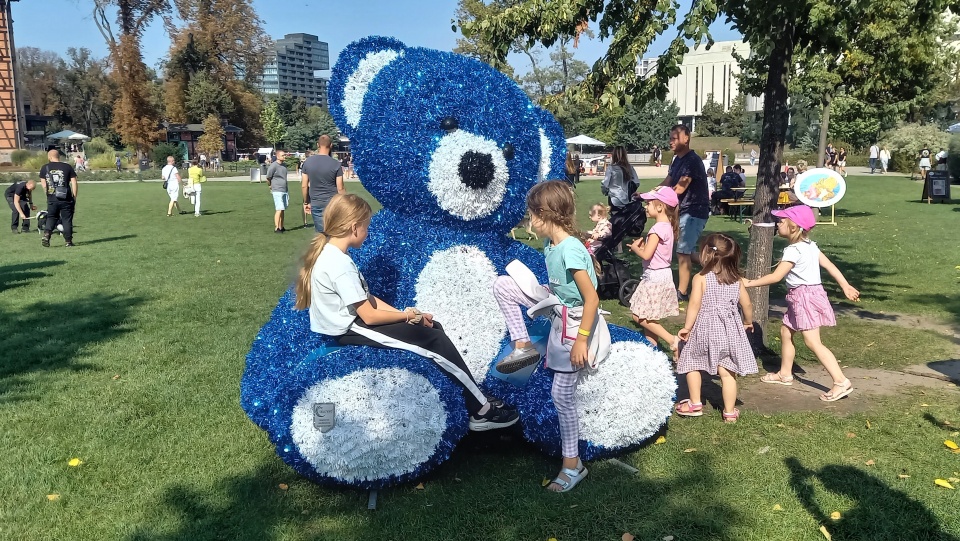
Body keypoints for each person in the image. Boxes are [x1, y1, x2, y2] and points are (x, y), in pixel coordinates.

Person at [296, 193, 519, 433]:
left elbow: (368, 298)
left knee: (433, 328)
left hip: (356, 322)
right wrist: (408, 317)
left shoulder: (336, 255)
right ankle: (481, 410)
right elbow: (369, 316)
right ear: (354, 227)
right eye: (366, 226)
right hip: (350, 329)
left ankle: (472, 393)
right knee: (435, 340)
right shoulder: (338, 264)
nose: (368, 233)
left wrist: (412, 315)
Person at [492, 180, 606, 492]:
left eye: (531, 216)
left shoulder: (570, 249)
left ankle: (573, 465)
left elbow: (591, 299)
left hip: (576, 324)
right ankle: (523, 345)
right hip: (558, 309)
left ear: (546, 215)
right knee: (503, 284)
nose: (529, 222)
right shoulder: (551, 245)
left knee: (561, 396)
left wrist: (581, 340)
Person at [743, 205, 860, 402]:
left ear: (794, 227)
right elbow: (829, 265)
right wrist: (845, 285)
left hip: (803, 297)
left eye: (781, 221)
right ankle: (785, 374)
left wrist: (749, 283)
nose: (778, 223)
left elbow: (776, 277)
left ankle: (841, 381)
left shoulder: (793, 251)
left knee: (813, 342)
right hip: (807, 295)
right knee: (786, 332)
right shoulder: (810, 246)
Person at [675, 233, 757, 422]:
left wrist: (687, 327)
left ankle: (695, 403)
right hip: (730, 331)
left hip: (705, 328)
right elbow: (747, 304)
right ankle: (729, 412)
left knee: (692, 362)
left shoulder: (700, 278)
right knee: (728, 372)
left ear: (705, 253)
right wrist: (747, 321)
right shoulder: (736, 279)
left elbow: (694, 304)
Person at [657, 124, 709, 302]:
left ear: (686, 139)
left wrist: (660, 197)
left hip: (695, 209)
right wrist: (650, 193)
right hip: (684, 210)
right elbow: (669, 180)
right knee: (685, 251)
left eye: (674, 138)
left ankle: (682, 292)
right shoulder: (677, 159)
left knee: (682, 252)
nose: (670, 141)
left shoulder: (692, 160)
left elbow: (679, 188)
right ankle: (717, 264)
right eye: (670, 138)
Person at [627, 187, 681, 356]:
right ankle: (652, 353)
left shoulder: (656, 229)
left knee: (639, 316)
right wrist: (645, 248)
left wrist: (637, 248)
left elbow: (646, 254)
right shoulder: (668, 227)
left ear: (660, 207)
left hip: (654, 278)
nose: (645, 206)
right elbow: (656, 253)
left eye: (649, 203)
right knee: (650, 318)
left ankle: (673, 341)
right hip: (663, 275)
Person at [301, 135, 345, 232]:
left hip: (316, 202)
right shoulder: (336, 164)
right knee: (333, 232)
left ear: (318, 145)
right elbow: (340, 188)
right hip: (332, 203)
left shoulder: (308, 162)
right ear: (331, 145)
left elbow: (304, 185)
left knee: (321, 234)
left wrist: (306, 202)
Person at [40, 149, 78, 247]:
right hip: (66, 197)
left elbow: (44, 185)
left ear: (49, 157)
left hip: (52, 197)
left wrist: (48, 195)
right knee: (67, 219)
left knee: (51, 217)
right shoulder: (67, 167)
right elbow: (74, 182)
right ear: (59, 156)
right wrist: (74, 196)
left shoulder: (45, 168)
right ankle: (68, 241)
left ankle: (47, 235)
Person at [601, 146, 639, 210]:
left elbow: (605, 184)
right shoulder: (630, 168)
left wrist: (606, 192)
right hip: (628, 199)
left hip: (614, 199)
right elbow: (637, 182)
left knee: (616, 218)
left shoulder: (611, 168)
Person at [267, 149, 290, 233]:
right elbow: (268, 177)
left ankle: (281, 226)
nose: (284, 156)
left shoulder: (284, 165)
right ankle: (277, 228)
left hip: (284, 189)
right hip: (277, 189)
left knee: (283, 209)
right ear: (277, 156)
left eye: (284, 155)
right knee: (279, 208)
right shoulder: (273, 166)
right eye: (282, 155)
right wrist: (270, 186)